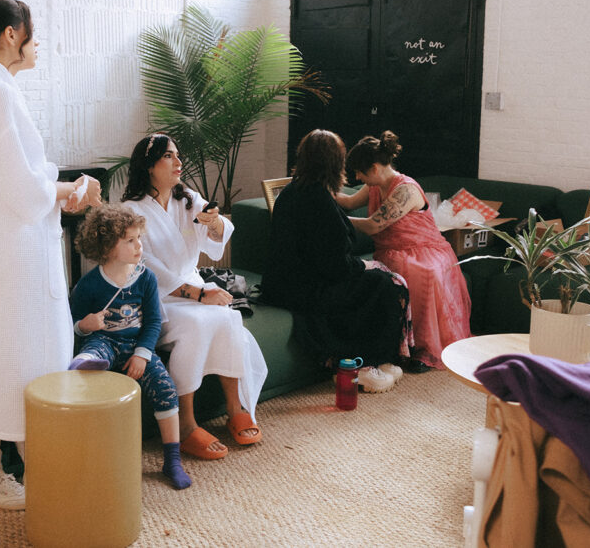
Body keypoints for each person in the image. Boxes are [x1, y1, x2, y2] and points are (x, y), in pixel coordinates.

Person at [0, 0, 102, 509]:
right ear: (11, 34)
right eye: (32, 30)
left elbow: (20, 182)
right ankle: (17, 476)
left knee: (1, 354)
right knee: (25, 355)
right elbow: (25, 189)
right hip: (12, 248)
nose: (37, 40)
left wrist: (59, 189)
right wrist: (73, 189)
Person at [122, 134, 267, 460]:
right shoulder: (130, 210)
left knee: (228, 315)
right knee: (197, 324)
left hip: (192, 284)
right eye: (169, 157)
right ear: (149, 165)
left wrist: (214, 222)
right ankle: (186, 425)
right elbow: (147, 268)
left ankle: (235, 407)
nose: (179, 162)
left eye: (179, 156)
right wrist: (200, 294)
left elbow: (216, 236)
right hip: (156, 295)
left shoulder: (186, 197)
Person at [262, 129, 414, 390]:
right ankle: (364, 363)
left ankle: (377, 360)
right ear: (335, 163)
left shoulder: (293, 190)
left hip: (283, 283)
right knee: (388, 283)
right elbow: (335, 267)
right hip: (306, 288)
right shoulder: (318, 199)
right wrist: (365, 266)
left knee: (380, 277)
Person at [67, 205, 192, 490]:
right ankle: (85, 362)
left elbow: (153, 323)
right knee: (97, 345)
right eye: (130, 241)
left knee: (166, 390)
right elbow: (72, 323)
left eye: (139, 238)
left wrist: (142, 355)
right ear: (108, 247)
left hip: (137, 344)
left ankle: (172, 460)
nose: (139, 246)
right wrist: (85, 324)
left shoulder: (145, 278)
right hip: (106, 341)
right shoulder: (89, 285)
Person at [339, 131, 471, 370]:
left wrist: (332, 218)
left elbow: (373, 225)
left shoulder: (405, 190)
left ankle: (424, 350)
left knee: (421, 273)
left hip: (425, 250)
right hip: (391, 250)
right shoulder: (375, 186)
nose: (357, 177)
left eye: (360, 171)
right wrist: (319, 192)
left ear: (376, 168)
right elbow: (348, 202)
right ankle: (396, 345)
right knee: (389, 271)